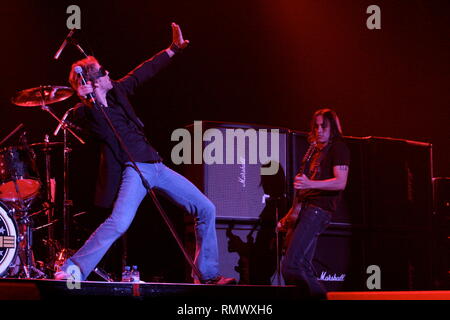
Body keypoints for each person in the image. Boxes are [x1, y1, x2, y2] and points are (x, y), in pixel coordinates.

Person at [54, 23, 235, 285]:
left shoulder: (119, 92)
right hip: (133, 171)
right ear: (92, 82)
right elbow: (87, 118)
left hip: (156, 165)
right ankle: (73, 266)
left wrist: (172, 49)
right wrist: (85, 99)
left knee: (206, 208)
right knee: (119, 223)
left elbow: (144, 71)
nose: (109, 73)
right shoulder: (89, 112)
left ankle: (207, 275)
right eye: (103, 72)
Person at [278, 108, 350, 299]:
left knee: (291, 265)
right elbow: (303, 190)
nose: (319, 130)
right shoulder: (314, 151)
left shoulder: (338, 148)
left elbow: (340, 182)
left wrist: (310, 183)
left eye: (323, 126)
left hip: (318, 211)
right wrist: (290, 215)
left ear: (332, 128)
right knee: (302, 267)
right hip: (306, 209)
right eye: (316, 126)